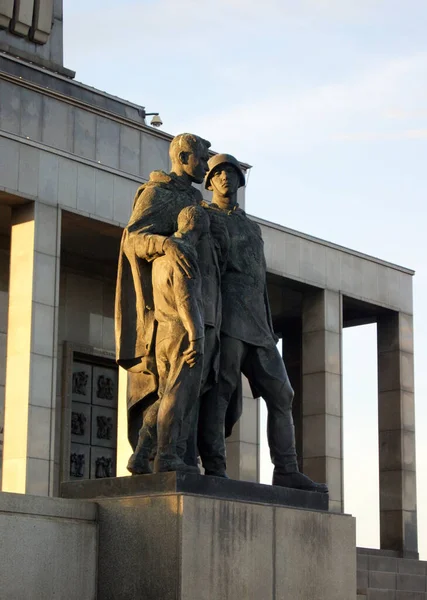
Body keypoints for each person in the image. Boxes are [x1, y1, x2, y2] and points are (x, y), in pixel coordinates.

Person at [198, 154, 328, 493]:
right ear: (209, 181)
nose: (226, 178)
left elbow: (259, 277)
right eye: (219, 173)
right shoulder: (204, 218)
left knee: (282, 394)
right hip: (227, 315)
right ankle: (214, 466)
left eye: (232, 173)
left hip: (258, 319)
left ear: (241, 181)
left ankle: (286, 469)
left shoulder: (251, 226)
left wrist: (268, 325)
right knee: (221, 388)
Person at [115, 133, 211, 460]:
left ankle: (150, 453)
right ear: (183, 158)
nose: (206, 165)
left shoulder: (197, 200)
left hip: (203, 311)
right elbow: (134, 240)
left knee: (181, 393)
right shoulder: (159, 193)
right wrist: (166, 243)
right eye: (201, 158)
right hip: (173, 316)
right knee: (173, 391)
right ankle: (162, 454)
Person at [130, 206, 208, 473]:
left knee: (163, 395)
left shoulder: (161, 255)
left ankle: (140, 455)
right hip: (181, 332)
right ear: (199, 227)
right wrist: (197, 337)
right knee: (178, 395)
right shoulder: (183, 252)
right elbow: (186, 299)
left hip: (162, 333)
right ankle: (167, 456)